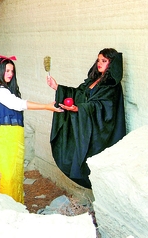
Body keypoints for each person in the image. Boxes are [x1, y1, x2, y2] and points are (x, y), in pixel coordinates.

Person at [0, 56, 62, 203]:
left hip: (11, 136)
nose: (10, 74)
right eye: (7, 70)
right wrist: (46, 106)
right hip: (4, 136)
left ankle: (14, 204)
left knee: (14, 172)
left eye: (12, 71)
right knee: (6, 172)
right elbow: (18, 104)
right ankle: (5, 205)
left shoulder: (3, 89)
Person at [47, 48, 126, 189]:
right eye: (98, 60)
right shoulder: (94, 80)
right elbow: (79, 93)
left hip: (99, 132)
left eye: (104, 61)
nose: (99, 63)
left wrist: (79, 109)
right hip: (87, 122)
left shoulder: (111, 86)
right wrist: (57, 87)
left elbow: (102, 107)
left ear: (112, 64)